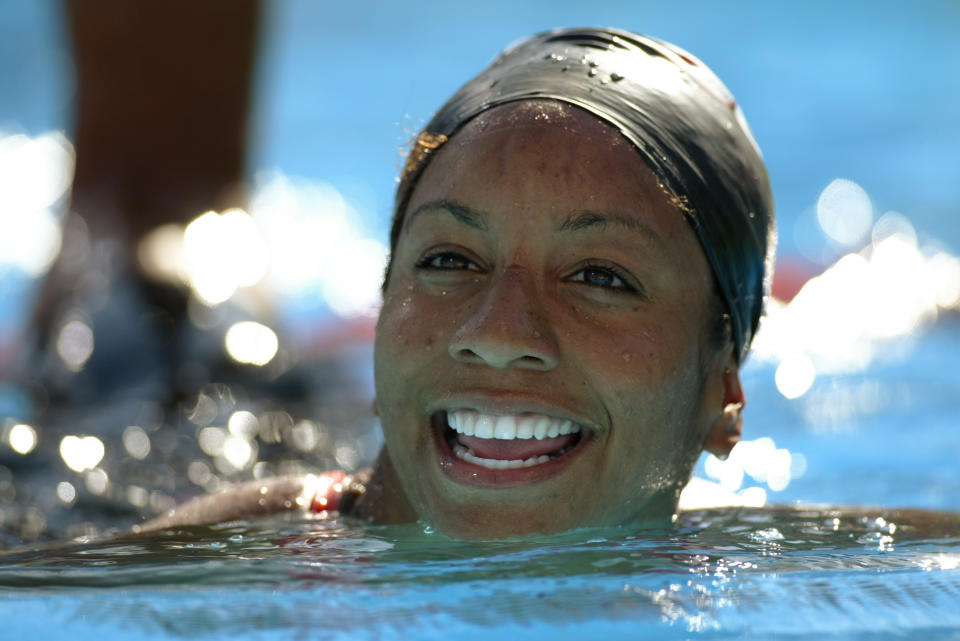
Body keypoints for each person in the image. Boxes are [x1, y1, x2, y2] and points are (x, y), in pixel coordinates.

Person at [137, 27, 775, 539]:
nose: (496, 334)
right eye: (451, 260)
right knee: (147, 243)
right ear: (385, 322)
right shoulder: (214, 564)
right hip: (145, 409)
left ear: (721, 396)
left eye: (599, 276)